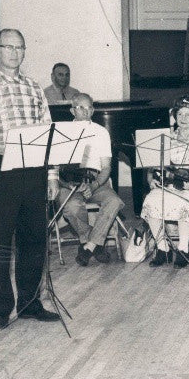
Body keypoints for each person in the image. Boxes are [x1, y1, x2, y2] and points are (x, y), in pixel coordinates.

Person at [0, 29, 61, 329]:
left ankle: (31, 303)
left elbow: (48, 134)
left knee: (33, 240)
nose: (14, 53)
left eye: (20, 47)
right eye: (8, 47)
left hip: (33, 170)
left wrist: (52, 173)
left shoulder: (35, 89)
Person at [141, 96, 189, 269]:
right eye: (180, 114)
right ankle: (163, 248)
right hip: (169, 185)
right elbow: (153, 167)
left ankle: (183, 248)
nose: (183, 118)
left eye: (188, 114)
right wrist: (150, 179)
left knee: (184, 203)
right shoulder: (166, 137)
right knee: (151, 200)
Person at [55, 94, 124, 266]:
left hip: (95, 180)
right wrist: (67, 184)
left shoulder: (101, 132)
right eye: (81, 107)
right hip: (68, 182)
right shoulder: (60, 132)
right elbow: (55, 169)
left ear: (93, 110)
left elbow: (106, 167)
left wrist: (93, 186)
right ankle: (95, 243)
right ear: (72, 110)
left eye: (89, 108)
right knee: (71, 207)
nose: (86, 111)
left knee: (114, 201)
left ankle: (89, 245)